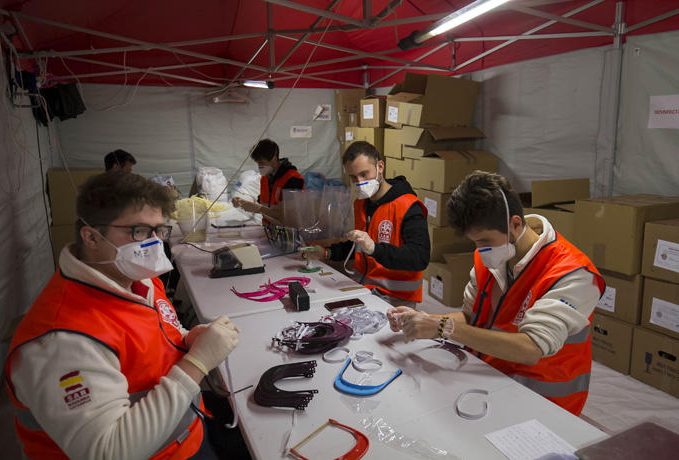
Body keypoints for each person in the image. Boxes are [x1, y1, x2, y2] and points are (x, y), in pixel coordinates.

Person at [5, 171, 240, 459]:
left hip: (186, 428)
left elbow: (155, 336)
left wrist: (187, 338)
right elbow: (109, 452)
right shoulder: (62, 340)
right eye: (139, 231)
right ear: (91, 236)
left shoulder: (138, 279)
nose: (154, 243)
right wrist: (198, 362)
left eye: (159, 231)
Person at [387, 171, 604, 415]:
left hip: (545, 405)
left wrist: (444, 327)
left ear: (515, 224)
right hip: (491, 381)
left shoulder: (573, 274)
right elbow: (472, 317)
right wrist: (428, 321)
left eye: (485, 240)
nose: (480, 249)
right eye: (475, 242)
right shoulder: (491, 257)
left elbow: (531, 348)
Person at [317, 141, 430, 307]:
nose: (360, 181)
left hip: (397, 298)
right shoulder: (361, 204)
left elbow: (420, 257)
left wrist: (374, 249)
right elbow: (359, 246)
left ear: (380, 167)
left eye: (364, 174)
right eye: (353, 177)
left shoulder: (408, 206)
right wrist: (327, 253)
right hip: (364, 288)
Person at [231, 139, 304, 223]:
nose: (259, 166)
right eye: (258, 163)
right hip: (269, 230)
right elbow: (264, 203)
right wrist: (243, 202)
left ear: (274, 159)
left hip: (287, 233)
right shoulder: (265, 178)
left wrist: (259, 209)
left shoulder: (293, 180)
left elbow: (287, 216)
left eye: (262, 163)